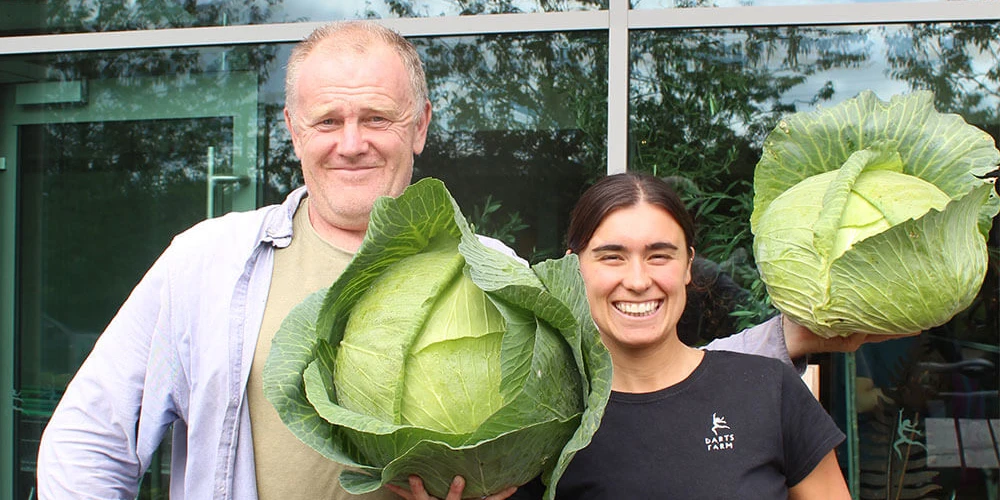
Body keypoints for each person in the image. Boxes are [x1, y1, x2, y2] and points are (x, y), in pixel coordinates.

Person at [35, 20, 895, 500]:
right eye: (326, 122)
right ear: (292, 130)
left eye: (376, 117)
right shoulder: (205, 262)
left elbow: (621, 377)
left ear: (421, 125)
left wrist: (793, 338)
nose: (351, 142)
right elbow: (87, 441)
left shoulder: (489, 267)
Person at [506, 173, 851, 499]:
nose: (638, 281)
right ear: (574, 268)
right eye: (612, 257)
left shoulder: (770, 391)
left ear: (688, 265)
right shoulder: (544, 423)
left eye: (659, 256)